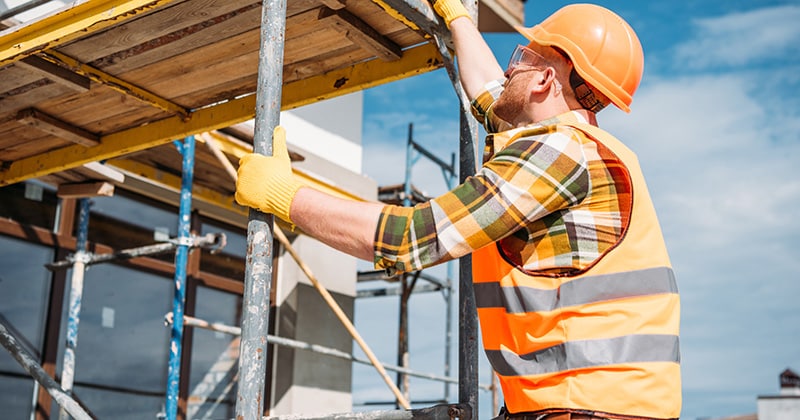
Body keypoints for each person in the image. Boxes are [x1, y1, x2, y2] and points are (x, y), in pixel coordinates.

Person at [235, 2, 680, 419]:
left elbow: (410, 239)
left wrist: (284, 194)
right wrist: (456, 16)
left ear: (544, 80)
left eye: (521, 56)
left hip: (583, 409)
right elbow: (492, 96)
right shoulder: (576, 146)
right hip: (588, 406)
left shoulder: (558, 151)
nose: (510, 67)